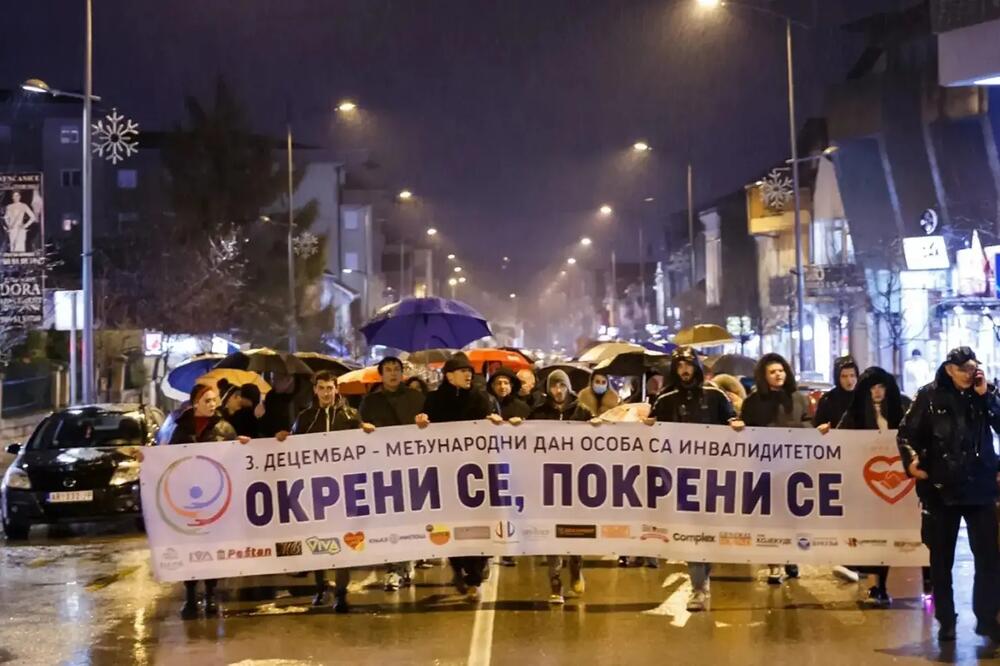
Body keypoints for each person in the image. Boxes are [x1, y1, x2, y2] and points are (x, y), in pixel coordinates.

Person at [898, 347, 1000, 642]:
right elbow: (906, 434)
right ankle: (946, 619)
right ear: (949, 369)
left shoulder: (984, 394)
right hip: (941, 488)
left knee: (989, 558)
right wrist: (912, 462)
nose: (970, 373)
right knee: (941, 559)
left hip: (980, 487)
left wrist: (987, 397)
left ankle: (987, 618)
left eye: (973, 368)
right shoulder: (928, 396)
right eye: (964, 368)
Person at [650, 347, 744, 611]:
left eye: (688, 365)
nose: (684, 370)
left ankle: (704, 574)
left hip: (712, 477)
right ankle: (698, 587)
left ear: (696, 368)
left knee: (708, 531)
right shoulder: (665, 399)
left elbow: (732, 422)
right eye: (679, 366)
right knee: (691, 532)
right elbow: (650, 431)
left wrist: (734, 425)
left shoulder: (715, 396)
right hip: (681, 479)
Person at [277, 371, 375, 613]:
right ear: (315, 390)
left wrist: (367, 431)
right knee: (318, 539)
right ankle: (321, 587)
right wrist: (283, 438)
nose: (326, 393)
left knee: (344, 540)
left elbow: (363, 445)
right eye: (321, 388)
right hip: (315, 489)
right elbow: (293, 446)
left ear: (336, 389)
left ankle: (341, 593)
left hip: (344, 489)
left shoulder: (350, 416)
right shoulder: (306, 417)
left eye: (330, 388)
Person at [419, 352, 502, 601]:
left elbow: (492, 429)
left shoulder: (480, 399)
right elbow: (423, 432)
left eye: (470, 371)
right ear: (449, 376)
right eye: (463, 371)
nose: (469, 375)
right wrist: (421, 422)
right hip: (445, 475)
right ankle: (458, 567)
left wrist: (496, 423)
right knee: (449, 525)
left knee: (477, 525)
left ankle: (475, 576)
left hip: (475, 475)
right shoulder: (433, 401)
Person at [167, 383, 248, 619]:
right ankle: (191, 597)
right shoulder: (180, 429)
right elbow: (167, 459)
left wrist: (241, 446)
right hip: (187, 499)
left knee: (211, 548)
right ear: (195, 404)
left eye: (214, 400)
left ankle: (211, 595)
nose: (212, 405)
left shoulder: (225, 429)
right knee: (189, 548)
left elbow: (235, 461)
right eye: (207, 401)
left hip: (215, 498)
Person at [834, 367, 911, 605]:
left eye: (880, 387)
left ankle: (909, 583)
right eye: (872, 389)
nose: (876, 393)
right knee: (872, 534)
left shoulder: (902, 410)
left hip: (899, 480)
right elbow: (840, 440)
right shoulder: (854, 414)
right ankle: (876, 582)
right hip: (865, 482)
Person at [529, 369, 598, 603]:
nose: (558, 391)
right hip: (548, 483)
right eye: (554, 386)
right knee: (552, 534)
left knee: (574, 530)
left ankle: (576, 568)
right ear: (548, 389)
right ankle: (555, 583)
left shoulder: (582, 412)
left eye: (562, 386)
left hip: (575, 482)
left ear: (568, 388)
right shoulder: (538, 413)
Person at [360, 356, 429, 590]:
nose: (392, 373)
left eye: (396, 369)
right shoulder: (370, 402)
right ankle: (394, 568)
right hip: (383, 469)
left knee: (410, 519)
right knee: (389, 520)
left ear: (403, 373)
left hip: (412, 467)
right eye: (388, 370)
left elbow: (432, 431)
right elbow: (360, 430)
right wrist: (363, 429)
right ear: (381, 374)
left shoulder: (417, 398)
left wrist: (424, 424)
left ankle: (406, 562)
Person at [741, 352, 809, 585]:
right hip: (765, 469)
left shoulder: (798, 399)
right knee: (769, 519)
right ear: (764, 376)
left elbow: (809, 423)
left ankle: (791, 557)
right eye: (772, 372)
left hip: (793, 470)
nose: (778, 374)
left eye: (781, 370)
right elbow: (746, 430)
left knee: (791, 517)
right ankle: (773, 565)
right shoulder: (753, 402)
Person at [812, 355, 858, 434]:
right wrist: (821, 429)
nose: (849, 381)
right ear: (837, 378)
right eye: (844, 376)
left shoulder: (863, 397)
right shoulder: (827, 400)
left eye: (852, 375)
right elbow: (817, 428)